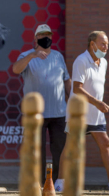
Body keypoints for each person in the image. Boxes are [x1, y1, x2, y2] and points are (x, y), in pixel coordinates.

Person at [54, 31, 109, 193]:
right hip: (79, 112)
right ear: (92, 44)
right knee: (70, 147)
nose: (106, 47)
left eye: (107, 44)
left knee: (105, 143)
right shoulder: (81, 61)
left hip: (96, 114)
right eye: (103, 44)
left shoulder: (103, 63)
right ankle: (60, 183)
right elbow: (77, 88)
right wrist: (98, 103)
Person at [13, 24, 70, 185]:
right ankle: (38, 183)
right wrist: (32, 55)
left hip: (59, 112)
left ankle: (58, 181)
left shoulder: (58, 56)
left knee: (60, 149)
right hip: (36, 114)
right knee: (37, 151)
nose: (47, 38)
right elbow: (16, 69)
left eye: (49, 35)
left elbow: (66, 80)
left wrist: (72, 98)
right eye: (42, 35)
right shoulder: (26, 56)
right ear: (35, 38)